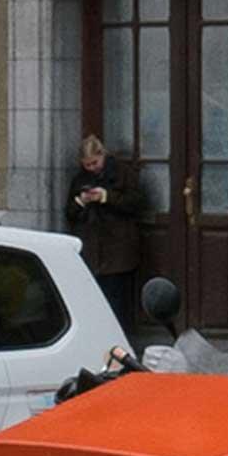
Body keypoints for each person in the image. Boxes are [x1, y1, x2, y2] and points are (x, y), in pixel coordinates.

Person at [65, 134, 144, 329]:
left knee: (117, 300)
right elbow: (70, 213)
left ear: (103, 156)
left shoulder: (123, 173)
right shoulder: (79, 179)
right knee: (94, 301)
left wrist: (106, 197)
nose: (92, 168)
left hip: (118, 248)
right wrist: (81, 201)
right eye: (87, 165)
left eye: (95, 162)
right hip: (91, 248)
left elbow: (135, 203)